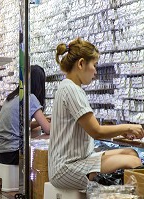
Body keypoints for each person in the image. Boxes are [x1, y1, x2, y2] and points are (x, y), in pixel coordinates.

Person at [48, 38, 144, 190]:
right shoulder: (71, 90)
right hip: (66, 169)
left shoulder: (70, 87)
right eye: (94, 65)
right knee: (133, 163)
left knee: (131, 153)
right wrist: (128, 127)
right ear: (81, 64)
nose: (95, 72)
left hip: (79, 160)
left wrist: (122, 131)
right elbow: (96, 131)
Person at [0, 65, 50, 165]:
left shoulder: (13, 96)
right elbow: (48, 130)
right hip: (12, 153)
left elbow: (20, 126)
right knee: (49, 137)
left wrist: (39, 122)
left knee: (36, 131)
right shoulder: (30, 98)